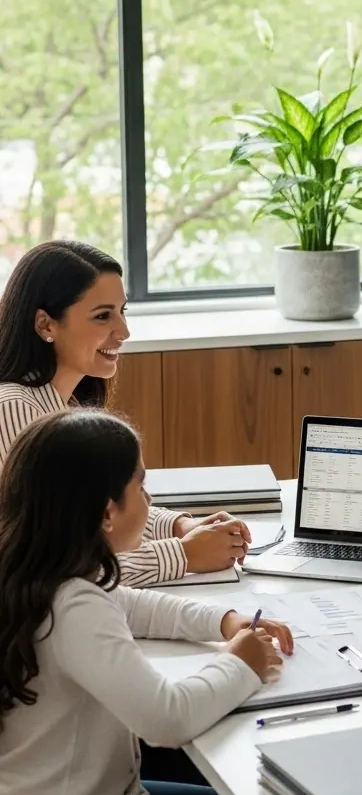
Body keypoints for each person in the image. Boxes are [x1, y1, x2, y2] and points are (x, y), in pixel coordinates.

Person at [0, 409, 307, 795]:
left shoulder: (43, 571)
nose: (151, 498)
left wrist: (224, 619)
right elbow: (166, 719)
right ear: (105, 510)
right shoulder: (74, 603)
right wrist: (239, 663)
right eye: (142, 484)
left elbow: (137, 606)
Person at [0, 240, 249, 586]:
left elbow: (98, 515)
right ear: (45, 325)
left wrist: (181, 526)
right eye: (103, 316)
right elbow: (58, 572)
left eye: (122, 311)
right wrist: (184, 554)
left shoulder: (64, 406)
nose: (124, 332)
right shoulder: (14, 410)